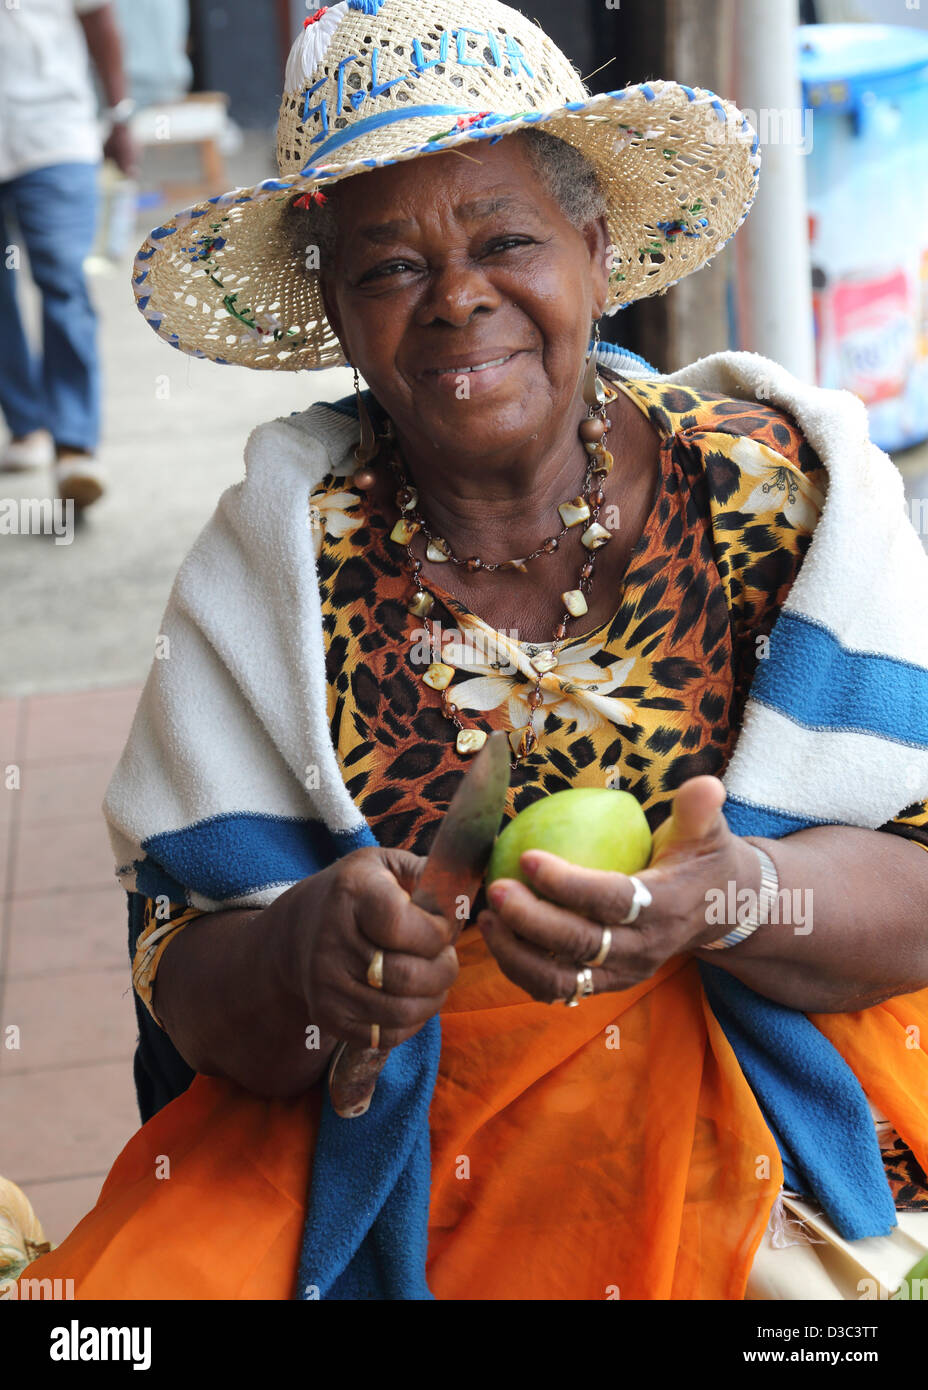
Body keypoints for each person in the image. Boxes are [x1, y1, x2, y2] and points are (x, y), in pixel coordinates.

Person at [20, 0, 928, 1300]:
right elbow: (177, 951)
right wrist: (301, 958)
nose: (455, 299)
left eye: (507, 239)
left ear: (597, 253)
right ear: (334, 307)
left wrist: (730, 896)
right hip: (391, 1163)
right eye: (389, 267)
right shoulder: (271, 564)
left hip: (765, 1135)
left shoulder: (777, 501)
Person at [0, 0, 138, 507]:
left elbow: (98, 17)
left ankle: (75, 448)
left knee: (64, 283)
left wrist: (120, 116)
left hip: (53, 137)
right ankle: (25, 425)